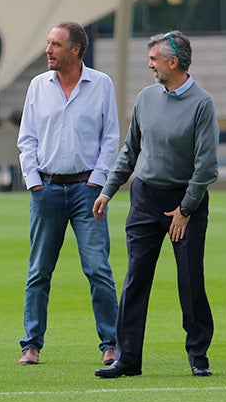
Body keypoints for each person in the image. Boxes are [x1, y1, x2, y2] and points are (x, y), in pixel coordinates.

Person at [93, 30, 219, 378]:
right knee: (135, 279)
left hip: (185, 202)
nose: (149, 64)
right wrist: (107, 190)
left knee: (190, 281)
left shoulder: (202, 104)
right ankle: (127, 359)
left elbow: (206, 166)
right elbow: (129, 151)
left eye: (154, 59)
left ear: (173, 62)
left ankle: (198, 356)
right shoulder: (146, 98)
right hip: (146, 199)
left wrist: (187, 209)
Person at [17, 22, 120, 366]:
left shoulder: (101, 84)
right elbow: (27, 138)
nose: (48, 50)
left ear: (75, 50)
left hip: (86, 191)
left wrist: (98, 181)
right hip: (45, 189)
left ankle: (112, 343)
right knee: (39, 271)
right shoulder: (37, 86)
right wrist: (33, 180)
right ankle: (30, 344)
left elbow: (110, 138)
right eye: (48, 43)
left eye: (55, 44)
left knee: (97, 269)